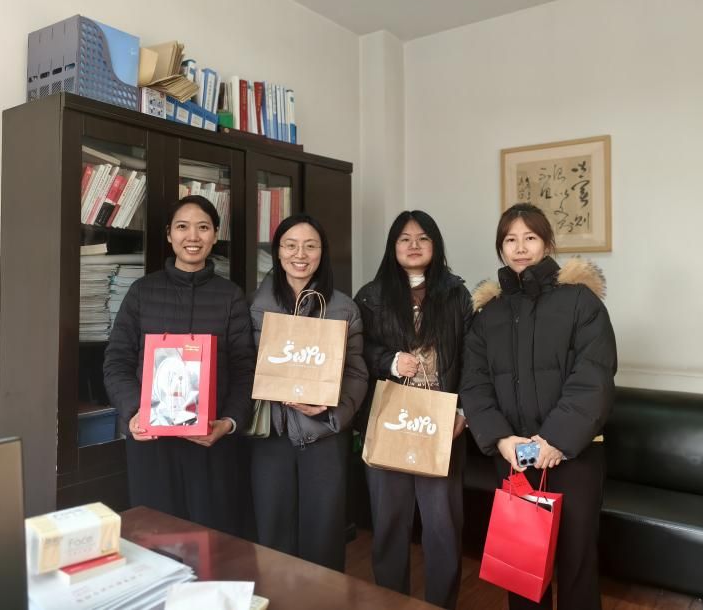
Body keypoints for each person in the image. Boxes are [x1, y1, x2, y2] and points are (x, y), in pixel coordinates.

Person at [460, 202, 617, 610]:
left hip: (574, 456)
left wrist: (555, 440)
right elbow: (474, 385)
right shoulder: (488, 315)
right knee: (522, 565)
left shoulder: (581, 303)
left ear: (546, 243)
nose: (520, 248)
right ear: (501, 248)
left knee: (577, 563)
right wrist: (501, 439)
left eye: (529, 237)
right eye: (510, 240)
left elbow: (594, 377)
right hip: (514, 457)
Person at [104, 195, 255, 534]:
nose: (193, 237)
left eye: (203, 227)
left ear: (215, 235)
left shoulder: (230, 296)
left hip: (211, 441)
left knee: (212, 539)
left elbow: (245, 370)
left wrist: (228, 423)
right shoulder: (142, 292)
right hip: (152, 442)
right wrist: (135, 412)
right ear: (169, 234)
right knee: (155, 535)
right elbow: (116, 361)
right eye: (183, 227)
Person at [355, 210, 473, 610]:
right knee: (389, 520)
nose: (413, 245)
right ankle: (390, 600)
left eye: (423, 238)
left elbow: (474, 359)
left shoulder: (457, 295)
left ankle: (442, 603)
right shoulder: (370, 296)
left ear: (435, 245)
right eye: (404, 239)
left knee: (443, 525)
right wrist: (389, 361)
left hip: (441, 423)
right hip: (389, 419)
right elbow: (355, 352)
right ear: (393, 246)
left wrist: (464, 412)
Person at [249, 213, 368, 571]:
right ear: (277, 251)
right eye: (290, 245)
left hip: (324, 438)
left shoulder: (343, 307)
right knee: (273, 538)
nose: (300, 254)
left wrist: (331, 411)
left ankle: (323, 598)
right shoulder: (254, 306)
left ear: (322, 252)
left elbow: (356, 372)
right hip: (271, 436)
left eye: (310, 246)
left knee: (324, 538)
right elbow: (240, 367)